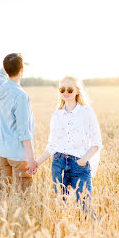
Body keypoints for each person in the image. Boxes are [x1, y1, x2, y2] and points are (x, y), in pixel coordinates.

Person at [36, 76, 103, 211]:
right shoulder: (57, 115)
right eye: (62, 89)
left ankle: (92, 231)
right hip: (58, 164)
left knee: (86, 208)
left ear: (77, 91)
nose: (65, 92)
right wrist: (36, 163)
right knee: (61, 209)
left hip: (79, 165)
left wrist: (83, 160)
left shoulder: (86, 112)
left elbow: (96, 142)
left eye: (70, 90)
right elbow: (52, 146)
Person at [0, 53, 38, 193]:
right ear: (22, 70)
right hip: (19, 156)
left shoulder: (1, 87)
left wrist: (9, 64)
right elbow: (24, 131)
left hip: (4, 153)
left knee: (4, 196)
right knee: (22, 198)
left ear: (6, 69)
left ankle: (2, 216)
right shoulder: (21, 95)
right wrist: (31, 159)